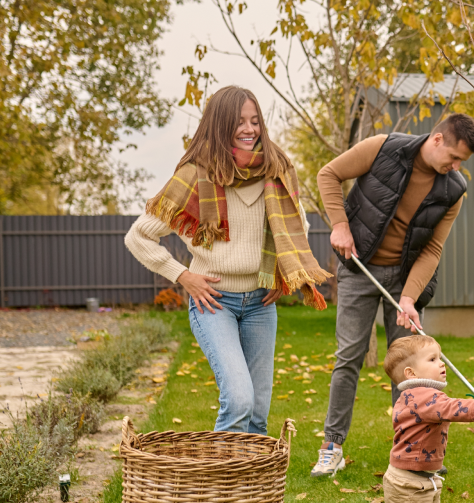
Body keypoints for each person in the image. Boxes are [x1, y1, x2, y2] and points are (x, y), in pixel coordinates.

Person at [125, 86, 330, 434]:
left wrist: (281, 274)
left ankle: (252, 489)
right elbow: (138, 236)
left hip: (260, 304)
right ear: (220, 125)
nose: (250, 130)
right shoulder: (194, 175)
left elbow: (298, 226)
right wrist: (184, 276)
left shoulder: (276, 170)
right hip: (214, 303)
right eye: (239, 122)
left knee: (257, 413)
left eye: (255, 121)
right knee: (238, 400)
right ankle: (218, 486)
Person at [312, 114, 474, 476]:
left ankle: (412, 452)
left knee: (413, 371)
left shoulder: (453, 190)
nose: (455, 167)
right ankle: (332, 445)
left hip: (405, 279)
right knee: (349, 356)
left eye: (461, 163)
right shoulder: (383, 148)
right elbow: (328, 174)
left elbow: (433, 249)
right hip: (359, 266)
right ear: (437, 139)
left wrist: (408, 298)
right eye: (453, 158)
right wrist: (340, 225)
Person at [381, 334, 474, 502]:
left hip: (423, 478)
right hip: (409, 486)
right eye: (432, 359)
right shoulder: (421, 397)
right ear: (411, 373)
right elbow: (450, 408)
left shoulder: (413, 396)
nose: (441, 363)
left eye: (439, 357)